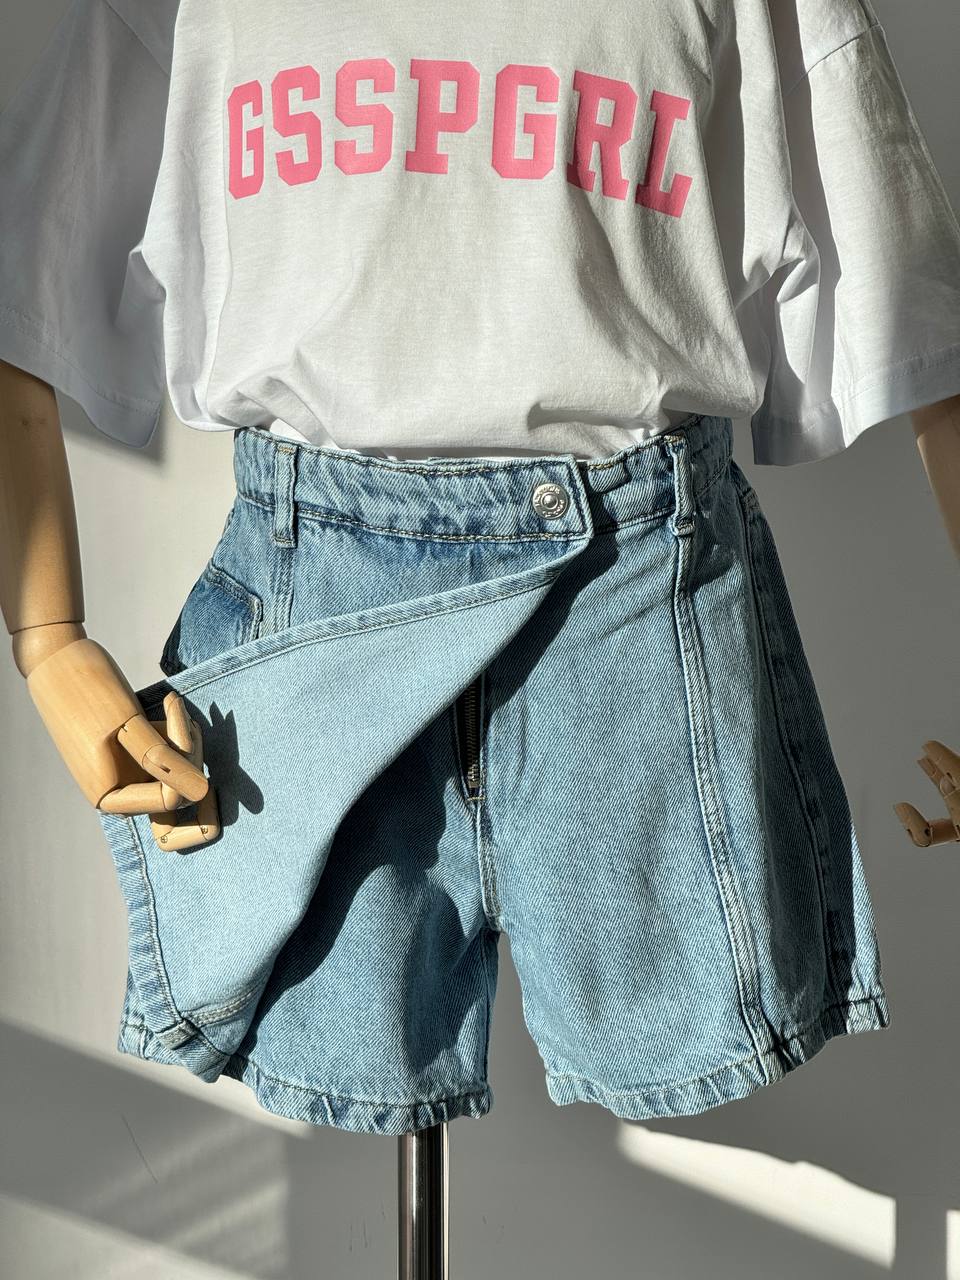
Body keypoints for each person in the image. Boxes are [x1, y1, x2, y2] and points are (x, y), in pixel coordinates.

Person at [0, 0, 958, 1136]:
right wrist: (48, 640)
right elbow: (24, 286)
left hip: (632, 602)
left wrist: (48, 642)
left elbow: (926, 330)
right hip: (319, 617)